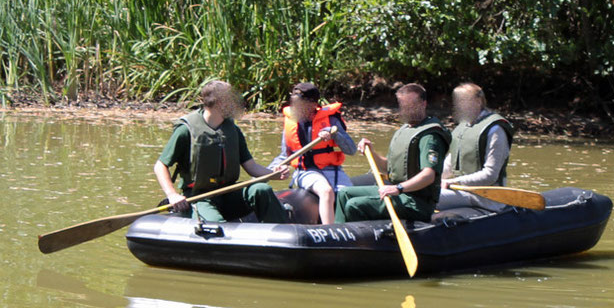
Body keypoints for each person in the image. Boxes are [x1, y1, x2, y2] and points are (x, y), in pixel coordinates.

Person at [153, 80, 290, 223]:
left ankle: (281, 229)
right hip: (200, 198)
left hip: (229, 194)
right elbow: (160, 166)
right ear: (220, 102)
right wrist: (172, 194)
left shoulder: (233, 131)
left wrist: (275, 174)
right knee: (216, 227)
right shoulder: (186, 131)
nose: (235, 102)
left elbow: (251, 167)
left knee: (261, 189)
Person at [334, 83, 451, 223]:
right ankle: (338, 234)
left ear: (423, 104)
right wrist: (371, 152)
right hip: (400, 193)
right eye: (404, 106)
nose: (407, 110)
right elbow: (387, 167)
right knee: (344, 194)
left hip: (416, 203)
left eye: (411, 105)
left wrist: (398, 188)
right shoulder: (404, 130)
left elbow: (428, 176)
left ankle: (361, 241)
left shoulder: (430, 136)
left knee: (355, 206)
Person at [268, 82, 356, 224]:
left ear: (314, 104)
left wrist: (334, 133)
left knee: (349, 197)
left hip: (333, 170)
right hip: (305, 171)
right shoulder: (291, 122)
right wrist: (271, 170)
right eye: (295, 103)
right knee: (326, 191)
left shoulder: (331, 120)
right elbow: (285, 155)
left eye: (300, 104)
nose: (296, 107)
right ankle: (330, 232)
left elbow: (351, 150)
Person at [438, 82, 514, 212]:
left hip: (485, 198)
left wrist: (454, 182)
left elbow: (490, 175)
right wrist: (430, 179)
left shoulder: (495, 129)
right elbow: (449, 165)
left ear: (478, 102)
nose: (458, 106)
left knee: (425, 198)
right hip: (462, 191)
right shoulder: (463, 128)